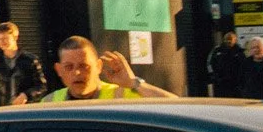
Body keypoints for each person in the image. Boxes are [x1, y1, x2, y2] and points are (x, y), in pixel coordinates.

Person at [40, 35, 178, 102]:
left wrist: (133, 83)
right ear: (59, 70)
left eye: (84, 66)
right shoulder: (50, 103)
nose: (77, 72)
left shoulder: (120, 96)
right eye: (69, 67)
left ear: (99, 66)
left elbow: (176, 106)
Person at [0, 22, 46, 105]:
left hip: (23, 110)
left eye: (5, 38)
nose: (2, 42)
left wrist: (26, 95)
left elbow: (42, 87)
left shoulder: (29, 60)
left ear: (15, 38)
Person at [209, 29, 248, 98]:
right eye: (226, 39)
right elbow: (210, 63)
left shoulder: (240, 52)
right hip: (221, 83)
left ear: (235, 40)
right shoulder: (217, 50)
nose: (228, 41)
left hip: (236, 84)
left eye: (230, 39)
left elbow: (245, 65)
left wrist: (242, 79)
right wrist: (214, 76)